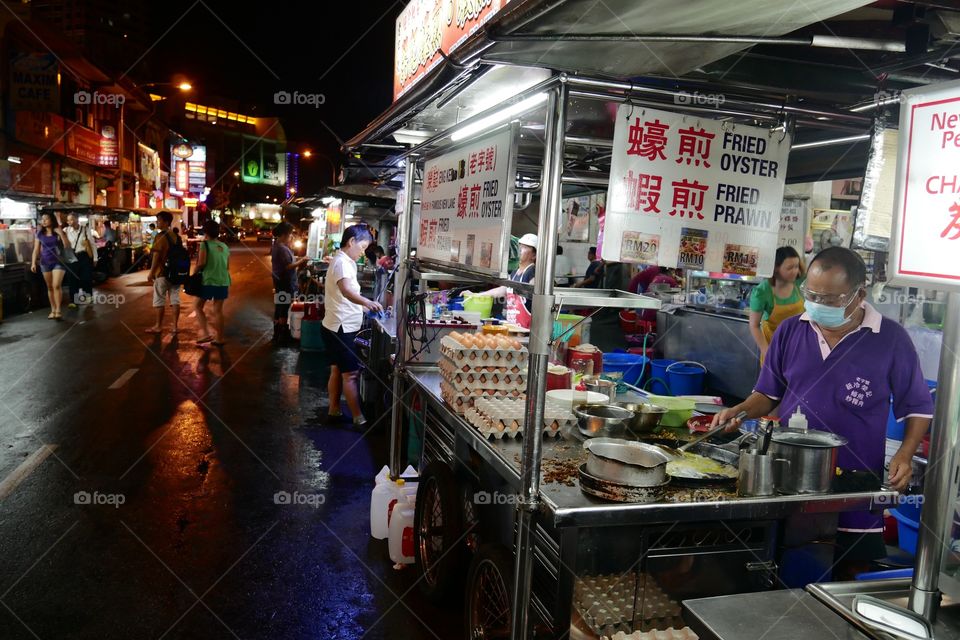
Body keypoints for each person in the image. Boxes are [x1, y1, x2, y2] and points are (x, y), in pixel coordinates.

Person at [712, 247, 934, 579]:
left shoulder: (891, 339)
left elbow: (917, 406)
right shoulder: (790, 330)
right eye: (811, 294)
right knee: (787, 563)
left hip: (857, 479)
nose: (817, 305)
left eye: (830, 299)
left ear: (859, 294)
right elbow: (768, 394)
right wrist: (742, 410)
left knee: (849, 573)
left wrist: (905, 452)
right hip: (789, 476)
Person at [322, 224, 383, 426]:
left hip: (334, 325)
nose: (363, 253)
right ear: (351, 242)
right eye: (363, 247)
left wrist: (364, 309)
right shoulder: (342, 262)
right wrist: (368, 302)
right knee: (351, 374)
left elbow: (344, 298)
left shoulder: (345, 261)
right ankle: (359, 419)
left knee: (337, 370)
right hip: (341, 328)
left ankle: (334, 410)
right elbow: (347, 291)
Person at [467, 233, 537, 328]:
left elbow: (538, 302)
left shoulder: (533, 274)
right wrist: (476, 295)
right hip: (513, 327)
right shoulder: (514, 273)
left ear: (534, 255)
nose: (520, 250)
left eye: (525, 248)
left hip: (526, 331)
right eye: (520, 246)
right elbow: (502, 290)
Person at [749, 246, 805, 363]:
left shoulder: (800, 282)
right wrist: (767, 352)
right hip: (773, 347)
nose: (795, 271)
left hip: (797, 345)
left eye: (796, 266)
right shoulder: (762, 292)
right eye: (790, 268)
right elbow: (754, 325)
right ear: (775, 269)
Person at [193, 220, 231, 346]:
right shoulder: (224, 246)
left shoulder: (205, 244)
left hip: (209, 280)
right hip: (223, 280)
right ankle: (219, 338)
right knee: (218, 310)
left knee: (198, 306)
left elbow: (201, 263)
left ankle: (206, 334)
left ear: (205, 231)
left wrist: (194, 272)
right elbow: (227, 266)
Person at [271, 221, 308, 344]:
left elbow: (289, 261)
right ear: (283, 235)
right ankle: (282, 336)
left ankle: (277, 335)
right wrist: (302, 260)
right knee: (283, 307)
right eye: (289, 234)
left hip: (280, 281)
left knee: (280, 307)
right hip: (284, 282)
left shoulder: (280, 246)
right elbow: (288, 266)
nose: (291, 237)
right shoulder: (281, 248)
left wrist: (298, 258)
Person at [146, 211, 181, 335]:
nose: (157, 223)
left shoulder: (160, 236)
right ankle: (175, 327)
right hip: (176, 273)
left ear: (166, 222)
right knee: (175, 300)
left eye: (159, 220)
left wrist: (151, 273)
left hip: (162, 273)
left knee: (159, 300)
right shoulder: (176, 236)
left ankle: (158, 326)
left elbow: (156, 256)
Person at [30, 212, 70, 319]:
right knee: (50, 287)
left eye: (46, 219)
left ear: (51, 220)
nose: (43, 221)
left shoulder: (58, 232)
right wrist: (33, 262)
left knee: (56, 285)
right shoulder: (39, 233)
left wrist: (61, 234)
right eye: (42, 219)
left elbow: (67, 246)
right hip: (45, 262)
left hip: (59, 262)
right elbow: (36, 249)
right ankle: (53, 309)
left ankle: (58, 310)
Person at [63, 213, 98, 307]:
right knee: (72, 278)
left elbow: (92, 244)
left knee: (86, 277)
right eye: (68, 220)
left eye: (71, 219)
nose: (69, 222)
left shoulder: (85, 229)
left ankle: (88, 295)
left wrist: (95, 258)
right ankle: (73, 301)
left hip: (84, 256)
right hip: (71, 257)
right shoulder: (66, 231)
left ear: (77, 220)